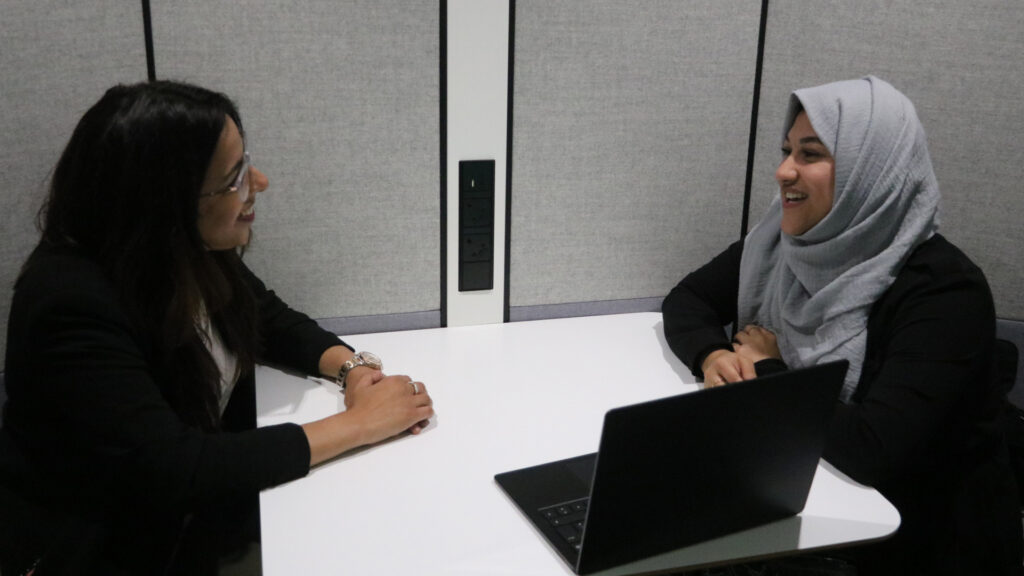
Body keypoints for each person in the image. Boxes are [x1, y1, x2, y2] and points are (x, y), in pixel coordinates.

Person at [0, 81, 434, 575]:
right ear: (165, 203)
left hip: (192, 529)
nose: (260, 183)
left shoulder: (187, 253)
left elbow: (269, 319)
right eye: (235, 179)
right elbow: (174, 467)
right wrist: (360, 424)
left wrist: (354, 372)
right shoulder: (70, 302)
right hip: (104, 552)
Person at [663, 76, 1022, 574]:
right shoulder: (787, 242)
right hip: (803, 502)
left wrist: (770, 369)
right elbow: (688, 299)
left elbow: (871, 448)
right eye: (787, 150)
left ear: (871, 170)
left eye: (810, 154)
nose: (783, 170)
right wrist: (714, 355)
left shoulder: (944, 290)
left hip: (919, 545)